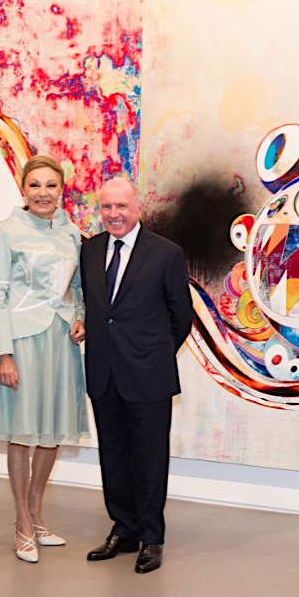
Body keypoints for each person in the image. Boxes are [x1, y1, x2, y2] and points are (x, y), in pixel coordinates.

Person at [0, 155, 89, 564]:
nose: (43, 193)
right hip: (21, 341)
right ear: (24, 189)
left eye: (51, 185)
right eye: (35, 185)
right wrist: (2, 352)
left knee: (52, 430)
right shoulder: (6, 231)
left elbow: (77, 286)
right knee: (21, 433)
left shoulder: (73, 233)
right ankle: (22, 522)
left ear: (62, 190)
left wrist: (79, 318)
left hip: (60, 342)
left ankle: (37, 514)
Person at [80, 176, 194, 574]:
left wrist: (153, 352)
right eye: (107, 207)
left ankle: (151, 537)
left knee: (148, 458)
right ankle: (123, 528)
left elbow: (181, 316)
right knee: (113, 454)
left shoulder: (165, 253)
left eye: (121, 207)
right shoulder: (90, 250)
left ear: (137, 208)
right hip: (103, 372)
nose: (114, 214)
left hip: (149, 374)